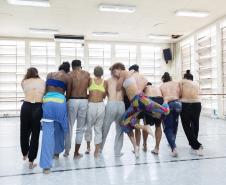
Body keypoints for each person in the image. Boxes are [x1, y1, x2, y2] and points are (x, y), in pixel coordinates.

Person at [110, 62, 170, 158]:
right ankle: (141, 134)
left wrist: (117, 77)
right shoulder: (128, 75)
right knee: (123, 122)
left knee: (165, 111)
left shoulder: (124, 73)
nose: (114, 74)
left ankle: (166, 102)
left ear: (118, 68)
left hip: (140, 99)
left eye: (114, 72)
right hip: (135, 103)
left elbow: (117, 87)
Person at [39, 62, 72, 174]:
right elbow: (68, 95)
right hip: (60, 102)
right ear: (68, 70)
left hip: (48, 101)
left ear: (59, 67)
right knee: (61, 129)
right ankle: (57, 153)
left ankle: (46, 167)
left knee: (47, 133)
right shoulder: (68, 77)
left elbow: (44, 89)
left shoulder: (50, 74)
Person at [64, 60, 90, 159]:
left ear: (72, 66)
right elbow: (90, 88)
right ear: (80, 66)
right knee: (80, 129)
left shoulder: (69, 74)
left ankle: (66, 152)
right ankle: (76, 153)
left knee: (69, 127)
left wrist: (67, 100)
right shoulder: (87, 74)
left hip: (72, 100)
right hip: (83, 101)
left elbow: (68, 90)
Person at [20, 67, 45, 169]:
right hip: (38, 107)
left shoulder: (24, 81)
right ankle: (31, 161)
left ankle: (25, 153)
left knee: (24, 132)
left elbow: (25, 90)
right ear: (37, 73)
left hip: (26, 106)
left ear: (27, 73)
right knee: (35, 134)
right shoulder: (42, 81)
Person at [100, 69, 125, 157]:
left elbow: (105, 93)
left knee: (105, 128)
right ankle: (117, 152)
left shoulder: (107, 81)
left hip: (111, 103)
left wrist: (110, 97)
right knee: (120, 129)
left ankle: (99, 149)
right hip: (120, 104)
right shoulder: (123, 80)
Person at [85, 66, 107, 158]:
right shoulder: (105, 82)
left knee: (88, 127)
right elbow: (104, 95)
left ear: (94, 73)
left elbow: (86, 91)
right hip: (101, 105)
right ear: (102, 73)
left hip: (91, 105)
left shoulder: (90, 80)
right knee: (98, 129)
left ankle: (88, 147)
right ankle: (96, 152)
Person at [180, 70, 203, 156]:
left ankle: (196, 145)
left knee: (186, 125)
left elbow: (179, 93)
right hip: (197, 104)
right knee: (195, 124)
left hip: (186, 104)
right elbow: (200, 93)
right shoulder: (196, 84)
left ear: (185, 77)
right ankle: (194, 144)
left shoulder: (182, 81)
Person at [160, 72, 182, 157]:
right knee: (175, 125)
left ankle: (174, 148)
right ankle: (172, 142)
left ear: (163, 79)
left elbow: (161, 98)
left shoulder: (161, 86)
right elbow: (180, 94)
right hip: (178, 104)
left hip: (167, 105)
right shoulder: (176, 84)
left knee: (167, 128)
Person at [140, 82, 164, 154]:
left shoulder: (145, 88)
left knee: (146, 125)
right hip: (159, 99)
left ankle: (144, 145)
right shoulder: (157, 87)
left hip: (148, 99)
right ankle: (157, 148)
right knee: (158, 125)